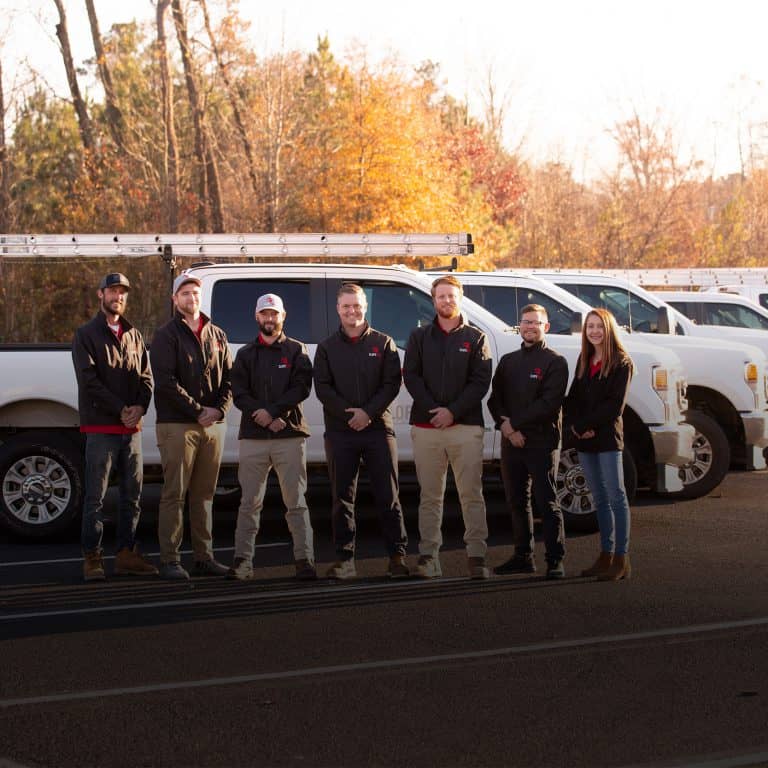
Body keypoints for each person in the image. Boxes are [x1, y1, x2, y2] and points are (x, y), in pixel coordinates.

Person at [313, 283, 409, 579]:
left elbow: (391, 384)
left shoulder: (383, 343)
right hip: (341, 432)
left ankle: (397, 557)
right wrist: (349, 415)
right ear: (338, 309)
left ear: (365, 306)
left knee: (388, 494)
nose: (351, 311)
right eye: (346, 306)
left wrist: (368, 413)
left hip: (378, 429)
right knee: (342, 497)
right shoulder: (327, 348)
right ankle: (345, 560)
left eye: (356, 305)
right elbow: (323, 388)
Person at [403, 274, 492, 579]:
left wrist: (452, 412)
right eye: (441, 296)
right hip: (426, 428)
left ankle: (477, 557)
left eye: (451, 296)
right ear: (433, 300)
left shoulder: (476, 338)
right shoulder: (419, 338)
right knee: (430, 496)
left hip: (465, 427)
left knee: (471, 494)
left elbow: (480, 382)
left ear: (460, 298)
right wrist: (435, 412)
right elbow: (411, 377)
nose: (446, 301)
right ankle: (428, 557)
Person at [72, 272, 157, 582]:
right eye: (112, 291)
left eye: (122, 292)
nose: (118, 296)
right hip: (101, 429)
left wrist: (139, 408)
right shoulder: (86, 334)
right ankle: (92, 558)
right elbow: (89, 381)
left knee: (132, 497)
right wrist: (120, 409)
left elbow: (146, 378)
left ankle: (126, 555)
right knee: (95, 497)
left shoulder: (134, 335)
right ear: (100, 295)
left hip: (131, 430)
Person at [227, 293, 317, 581]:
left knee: (296, 502)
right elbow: (239, 392)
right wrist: (262, 416)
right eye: (264, 313)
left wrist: (276, 414)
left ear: (283, 316)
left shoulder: (296, 350)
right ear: (257, 317)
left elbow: (301, 388)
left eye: (274, 313)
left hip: (288, 435)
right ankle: (243, 561)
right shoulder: (244, 354)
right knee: (249, 503)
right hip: (253, 437)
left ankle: (305, 560)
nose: (269, 319)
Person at [150, 273, 233, 580]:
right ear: (175, 300)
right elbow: (166, 382)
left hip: (213, 426)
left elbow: (229, 378)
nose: (191, 298)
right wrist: (198, 410)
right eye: (185, 293)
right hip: (178, 425)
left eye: (195, 293)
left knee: (205, 495)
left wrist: (219, 410)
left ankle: (204, 557)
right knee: (175, 494)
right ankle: (170, 559)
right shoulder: (166, 335)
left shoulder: (217, 334)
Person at [488, 304, 569, 579]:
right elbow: (494, 399)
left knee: (546, 502)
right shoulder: (508, 361)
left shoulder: (555, 362)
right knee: (516, 501)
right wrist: (508, 429)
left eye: (536, 323)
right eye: (526, 322)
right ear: (519, 326)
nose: (530, 327)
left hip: (542, 441)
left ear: (545, 327)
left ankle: (555, 559)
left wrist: (515, 425)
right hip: (512, 441)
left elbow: (548, 404)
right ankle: (523, 556)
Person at [564, 308, 634, 581]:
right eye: (590, 326)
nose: (594, 331)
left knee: (617, 497)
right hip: (585, 440)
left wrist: (585, 426)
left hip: (606, 438)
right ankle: (605, 555)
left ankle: (621, 558)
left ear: (609, 329)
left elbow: (613, 406)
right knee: (600, 499)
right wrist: (575, 426)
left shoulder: (622, 363)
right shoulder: (585, 359)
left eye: (599, 327)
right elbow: (574, 398)